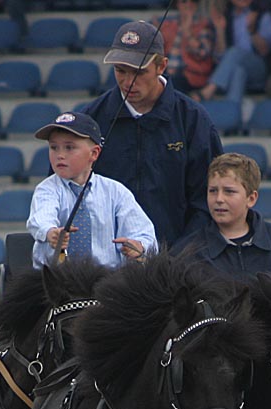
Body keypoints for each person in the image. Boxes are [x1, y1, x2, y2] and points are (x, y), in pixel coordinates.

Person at [80, 20, 223, 248]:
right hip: (103, 265)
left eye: (139, 72)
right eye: (120, 70)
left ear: (162, 66)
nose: (128, 82)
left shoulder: (194, 121)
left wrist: (176, 258)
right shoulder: (91, 121)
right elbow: (64, 192)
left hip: (177, 267)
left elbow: (208, 202)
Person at [27, 111, 157, 271]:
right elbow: (41, 217)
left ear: (94, 153)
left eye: (69, 147)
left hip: (107, 281)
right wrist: (50, 232)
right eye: (54, 148)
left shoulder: (115, 191)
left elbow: (144, 233)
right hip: (55, 280)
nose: (60, 155)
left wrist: (139, 247)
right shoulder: (47, 189)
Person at [171, 152, 271, 280]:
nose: (219, 199)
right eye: (213, 191)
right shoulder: (188, 251)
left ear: (251, 198)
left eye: (229, 191)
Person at [197, 0, 271, 102]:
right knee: (238, 71)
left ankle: (209, 90)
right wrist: (220, 29)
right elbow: (220, 57)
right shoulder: (227, 16)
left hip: (259, 69)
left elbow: (265, 51)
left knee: (235, 52)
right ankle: (231, 112)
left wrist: (252, 30)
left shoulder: (262, 15)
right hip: (235, 68)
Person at [152, 0, 218, 95]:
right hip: (167, 71)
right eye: (184, 1)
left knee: (171, 84)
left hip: (191, 75)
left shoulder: (204, 25)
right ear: (177, 4)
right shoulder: (169, 24)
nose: (188, 4)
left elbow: (203, 53)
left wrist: (187, 33)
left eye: (192, 1)